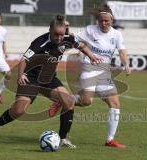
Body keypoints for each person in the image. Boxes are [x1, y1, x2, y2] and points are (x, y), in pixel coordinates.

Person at [0, 15, 102, 149]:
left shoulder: (67, 39)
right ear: (50, 30)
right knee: (18, 111)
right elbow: (24, 60)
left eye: (61, 34)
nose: (59, 38)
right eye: (56, 34)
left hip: (49, 79)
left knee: (69, 102)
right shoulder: (39, 43)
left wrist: (92, 56)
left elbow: (82, 46)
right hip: (31, 79)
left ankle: (63, 139)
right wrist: (21, 75)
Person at [48, 4, 131, 148]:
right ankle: (64, 100)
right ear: (97, 20)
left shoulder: (116, 34)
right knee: (86, 101)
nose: (104, 23)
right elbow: (73, 36)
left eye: (107, 21)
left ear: (112, 20)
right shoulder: (90, 30)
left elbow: (122, 51)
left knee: (115, 104)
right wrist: (66, 30)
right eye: (101, 21)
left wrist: (126, 64)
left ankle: (110, 140)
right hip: (89, 67)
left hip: (104, 71)